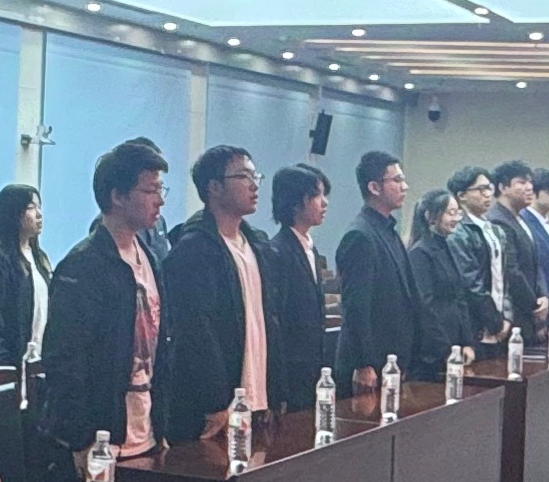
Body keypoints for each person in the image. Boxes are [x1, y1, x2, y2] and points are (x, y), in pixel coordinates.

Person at [45, 139, 167, 465]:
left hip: (148, 431)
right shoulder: (84, 265)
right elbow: (65, 358)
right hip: (103, 439)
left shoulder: (150, 257)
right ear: (117, 196)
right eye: (150, 190)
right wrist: (81, 439)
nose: (159, 200)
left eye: (161, 190)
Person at [153, 145, 273, 446]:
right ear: (214, 187)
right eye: (243, 176)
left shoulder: (256, 244)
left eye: (255, 176)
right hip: (213, 407)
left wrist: (275, 389)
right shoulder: (194, 249)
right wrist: (216, 401)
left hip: (257, 398)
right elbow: (195, 331)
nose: (254, 185)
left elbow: (268, 319)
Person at [336, 151, 423, 393]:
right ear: (374, 187)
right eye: (397, 180)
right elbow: (356, 306)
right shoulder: (360, 235)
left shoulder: (388, 230)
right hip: (370, 364)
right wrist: (363, 363)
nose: (405, 186)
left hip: (393, 358)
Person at [266, 163, 333, 404]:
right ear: (295, 202)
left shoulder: (310, 248)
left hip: (313, 366)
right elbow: (278, 320)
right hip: (291, 371)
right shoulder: (277, 251)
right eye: (316, 195)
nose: (324, 203)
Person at [0, 185, 49, 372]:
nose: (39, 214)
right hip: (11, 364)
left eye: (39, 207)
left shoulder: (40, 259)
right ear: (13, 213)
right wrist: (5, 368)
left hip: (40, 363)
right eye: (31, 207)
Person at [408, 187, 479, 362]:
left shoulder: (447, 246)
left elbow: (460, 297)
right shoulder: (420, 253)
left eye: (457, 213)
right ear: (430, 216)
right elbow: (426, 306)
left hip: (456, 343)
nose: (456, 219)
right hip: (433, 349)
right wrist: (446, 349)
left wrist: (467, 342)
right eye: (450, 213)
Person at [444, 164, 509, 346]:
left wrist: (507, 316)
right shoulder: (458, 231)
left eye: (489, 188)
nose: (488, 194)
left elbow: (505, 278)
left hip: (500, 321)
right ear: (461, 195)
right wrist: (495, 322)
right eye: (481, 189)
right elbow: (471, 283)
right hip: (476, 325)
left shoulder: (495, 230)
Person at [502, 160, 549, 334]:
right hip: (536, 309)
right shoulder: (524, 222)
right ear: (535, 192)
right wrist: (536, 303)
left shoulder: (547, 223)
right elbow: (522, 270)